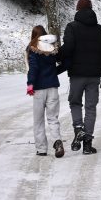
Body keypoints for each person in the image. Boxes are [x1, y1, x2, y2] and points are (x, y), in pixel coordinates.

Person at [59, 0, 101, 155]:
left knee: (75, 102)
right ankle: (87, 145)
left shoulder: (72, 27)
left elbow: (68, 48)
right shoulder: (100, 29)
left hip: (77, 75)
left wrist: (56, 57)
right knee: (91, 107)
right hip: (95, 76)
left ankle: (78, 129)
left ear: (77, 9)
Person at [26, 25, 66, 158]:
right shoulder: (53, 49)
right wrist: (54, 73)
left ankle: (42, 149)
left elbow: (34, 68)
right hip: (53, 87)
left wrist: (30, 84)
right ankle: (57, 141)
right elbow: (64, 63)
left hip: (38, 90)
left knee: (38, 120)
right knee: (53, 118)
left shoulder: (33, 49)